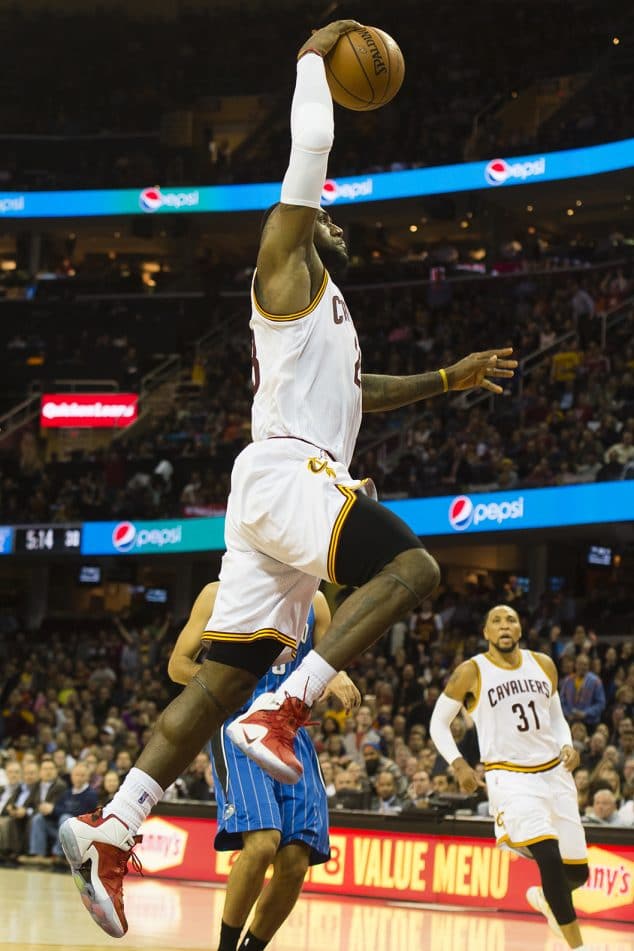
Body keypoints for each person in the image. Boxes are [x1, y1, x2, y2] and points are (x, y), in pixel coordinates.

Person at [59, 20, 516, 940]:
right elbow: (312, 145)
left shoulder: (328, 316)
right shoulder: (281, 264)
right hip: (284, 475)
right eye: (319, 214)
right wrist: (315, 58)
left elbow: (359, 393)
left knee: (218, 685)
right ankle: (289, 703)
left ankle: (114, 825)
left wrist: (445, 377)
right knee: (416, 570)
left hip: (277, 492)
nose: (328, 218)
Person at [166, 581, 360, 951]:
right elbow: (178, 665)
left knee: (295, 860)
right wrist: (227, 684)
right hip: (237, 723)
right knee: (262, 843)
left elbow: (329, 659)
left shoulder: (315, 601)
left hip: (290, 729)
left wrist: (338, 675)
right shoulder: (217, 593)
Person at [430, 604, 590, 951]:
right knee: (547, 854)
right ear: (486, 633)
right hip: (510, 776)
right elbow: (437, 723)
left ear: (520, 630)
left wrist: (567, 744)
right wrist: (458, 764)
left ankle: (548, 900)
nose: (504, 626)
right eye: (496, 621)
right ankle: (579, 947)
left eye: (511, 620)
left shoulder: (544, 663)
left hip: (554, 773)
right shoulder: (471, 671)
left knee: (577, 873)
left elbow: (557, 718)